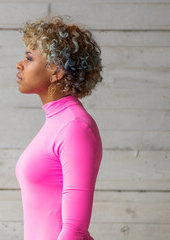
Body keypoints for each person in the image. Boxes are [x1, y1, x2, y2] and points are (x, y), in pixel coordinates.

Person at [15, 15, 104, 240]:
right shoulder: (57, 122)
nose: (19, 64)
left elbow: (75, 228)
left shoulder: (75, 127)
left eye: (29, 57)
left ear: (57, 71)